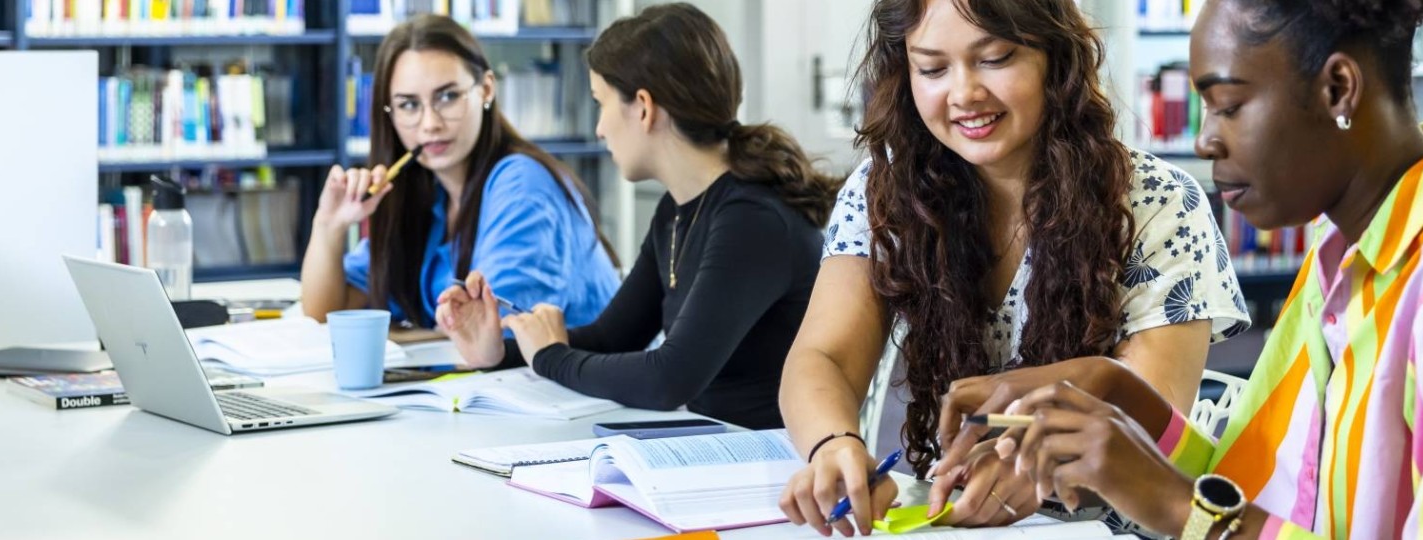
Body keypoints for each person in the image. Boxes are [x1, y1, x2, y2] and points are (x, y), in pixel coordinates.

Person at [934, 0, 1423, 537]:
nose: (1207, 141)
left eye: (1230, 105)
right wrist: (1120, 397)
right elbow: (1260, 492)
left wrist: (1172, 503)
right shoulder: (1346, 262)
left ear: (1338, 89)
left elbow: (1210, 512)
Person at [777, 0, 1251, 536]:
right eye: (932, 68)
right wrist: (833, 444)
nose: (964, 94)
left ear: (1055, 58)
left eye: (996, 58)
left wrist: (1036, 464)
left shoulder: (1157, 202)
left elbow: (1149, 415)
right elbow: (824, 357)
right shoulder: (882, 190)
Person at [433, 3, 836, 431]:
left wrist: (550, 358)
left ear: (643, 107)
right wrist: (504, 353)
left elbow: (669, 379)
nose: (599, 129)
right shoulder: (677, 210)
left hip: (768, 468)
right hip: (710, 449)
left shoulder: (751, 219)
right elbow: (613, 338)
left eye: (600, 104)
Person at [300, 14, 619, 331]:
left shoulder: (523, 184)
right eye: (409, 105)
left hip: (569, 381)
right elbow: (325, 316)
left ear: (487, 90)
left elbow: (485, 337)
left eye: (448, 97)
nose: (430, 124)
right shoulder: (426, 196)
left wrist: (397, 341)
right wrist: (329, 225)